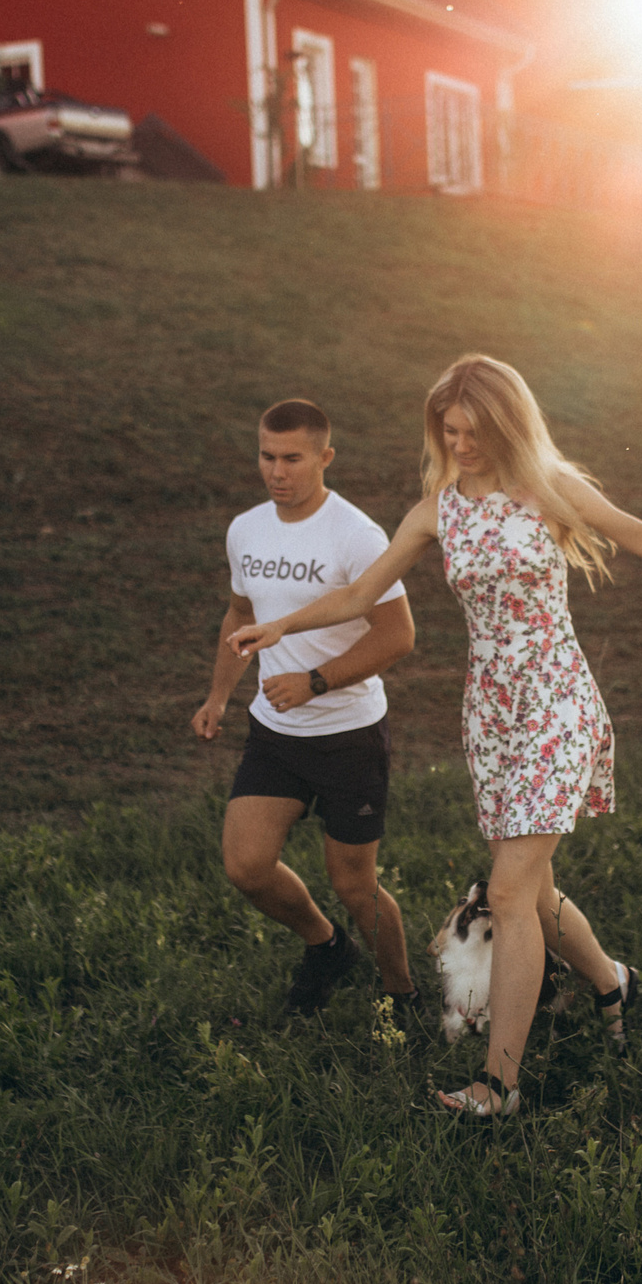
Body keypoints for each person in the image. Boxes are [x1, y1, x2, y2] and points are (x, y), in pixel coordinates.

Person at [232, 356, 642, 1114]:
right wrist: (282, 621)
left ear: (506, 423)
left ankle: (498, 1085)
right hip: (492, 713)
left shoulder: (550, 487)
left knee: (506, 890)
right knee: (530, 895)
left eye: (474, 430)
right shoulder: (440, 507)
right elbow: (358, 593)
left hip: (555, 700)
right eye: (449, 430)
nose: (461, 443)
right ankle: (612, 984)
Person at [193, 398, 420, 1016]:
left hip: (348, 735)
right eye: (267, 456)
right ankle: (326, 947)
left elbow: (398, 634)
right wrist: (219, 695)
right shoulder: (246, 528)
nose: (277, 471)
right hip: (276, 734)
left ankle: (403, 993)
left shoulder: (355, 534)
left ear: (326, 457)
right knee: (246, 866)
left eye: (292, 458)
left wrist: (316, 681)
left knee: (354, 883)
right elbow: (240, 617)